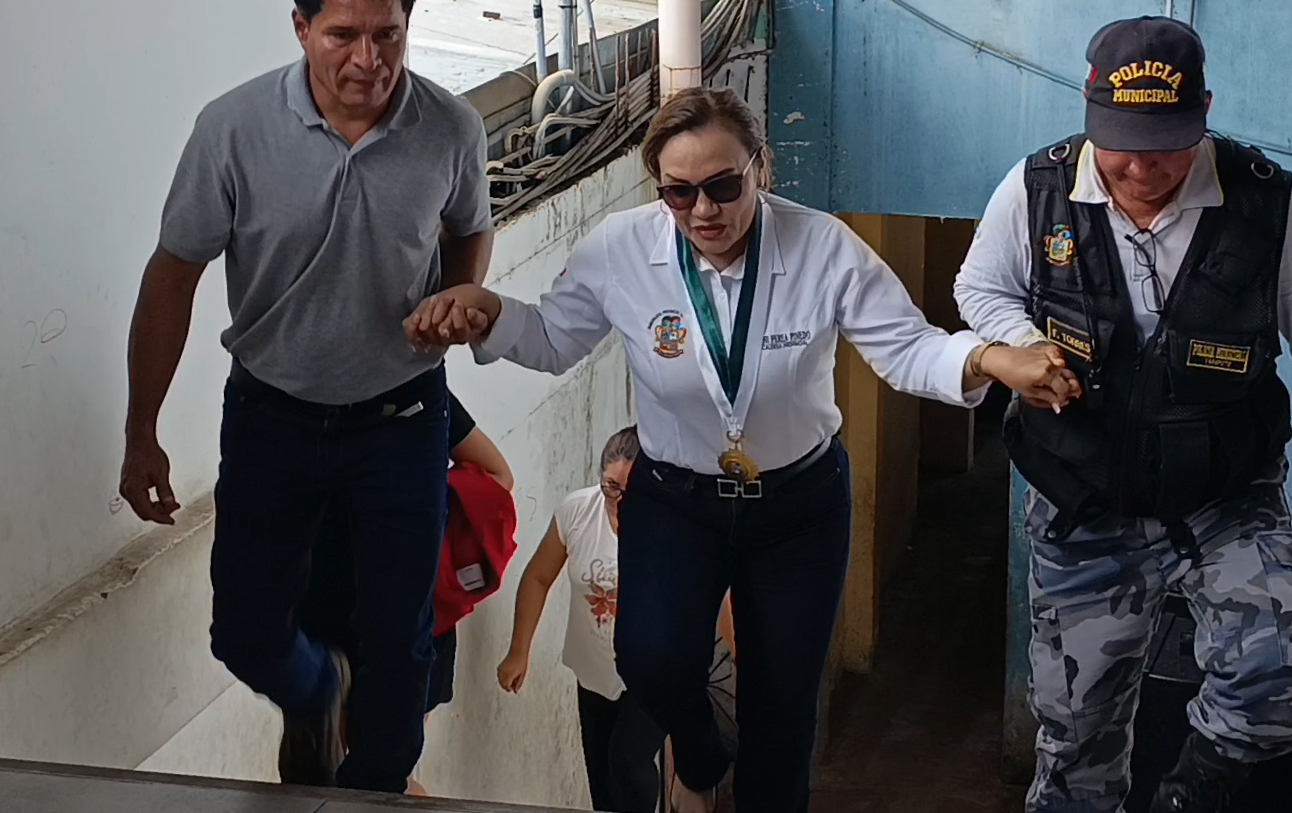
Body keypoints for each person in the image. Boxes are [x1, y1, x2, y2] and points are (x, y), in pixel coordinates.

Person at [412, 86, 1076, 813]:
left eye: (724, 186)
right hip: (677, 500)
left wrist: (988, 359)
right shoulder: (620, 249)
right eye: (679, 192)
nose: (704, 210)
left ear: (760, 166)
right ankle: (701, 753)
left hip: (798, 507)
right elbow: (552, 338)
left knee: (782, 708)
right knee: (650, 658)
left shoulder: (822, 246)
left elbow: (906, 347)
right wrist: (489, 312)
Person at [952, 16, 1292, 813]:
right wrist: (1021, 343)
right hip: (1083, 499)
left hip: (1223, 497)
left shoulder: (1263, 203)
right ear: (1090, 114)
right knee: (1077, 740)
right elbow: (979, 288)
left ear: (1204, 113)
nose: (1141, 167)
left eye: (1164, 144)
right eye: (1121, 143)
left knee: (1274, 684)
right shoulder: (1037, 190)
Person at [116, 0, 495, 794]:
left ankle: (373, 788)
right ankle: (318, 688)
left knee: (401, 646)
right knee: (244, 635)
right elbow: (172, 277)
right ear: (300, 28)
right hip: (271, 417)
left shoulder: (450, 127)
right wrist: (141, 433)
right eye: (343, 36)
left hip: (402, 418)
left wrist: (457, 298)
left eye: (388, 35)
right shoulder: (232, 130)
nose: (369, 60)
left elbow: (470, 226)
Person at [297, 387, 514, 793]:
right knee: (384, 778)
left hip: (344, 611)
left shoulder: (293, 379)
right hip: (406, 612)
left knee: (338, 774)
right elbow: (498, 476)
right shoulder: (410, 382)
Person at [496, 425, 666, 812]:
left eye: (631, 490)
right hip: (594, 668)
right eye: (611, 487)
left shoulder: (671, 521)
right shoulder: (578, 511)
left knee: (629, 762)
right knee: (603, 781)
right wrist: (519, 651)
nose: (618, 500)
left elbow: (715, 595)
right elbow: (538, 577)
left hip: (654, 669)